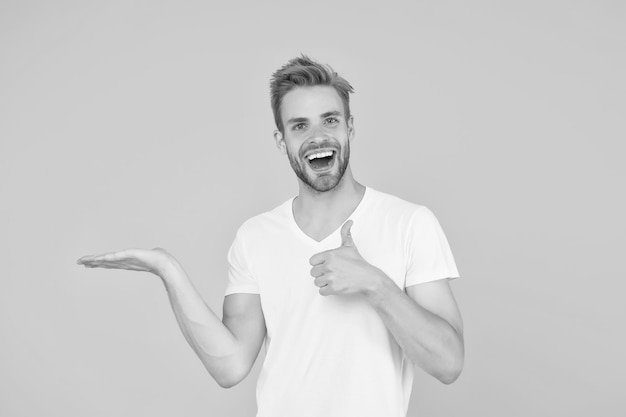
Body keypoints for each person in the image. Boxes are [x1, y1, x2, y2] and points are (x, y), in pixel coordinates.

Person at [77, 55, 464, 417]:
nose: (317, 136)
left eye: (330, 120)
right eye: (300, 125)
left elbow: (448, 363)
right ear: (282, 141)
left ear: (350, 127)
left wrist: (375, 284)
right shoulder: (255, 236)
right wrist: (168, 270)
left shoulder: (410, 223)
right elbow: (230, 365)